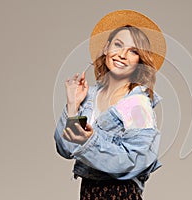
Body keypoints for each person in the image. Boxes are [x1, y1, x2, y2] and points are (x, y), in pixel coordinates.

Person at [54, 10, 166, 199]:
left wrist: (91, 141)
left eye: (133, 51)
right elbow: (66, 148)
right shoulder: (89, 97)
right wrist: (73, 105)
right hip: (89, 193)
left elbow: (135, 160)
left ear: (140, 61)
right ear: (106, 48)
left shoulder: (136, 105)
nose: (122, 55)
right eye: (118, 45)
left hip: (119, 194)